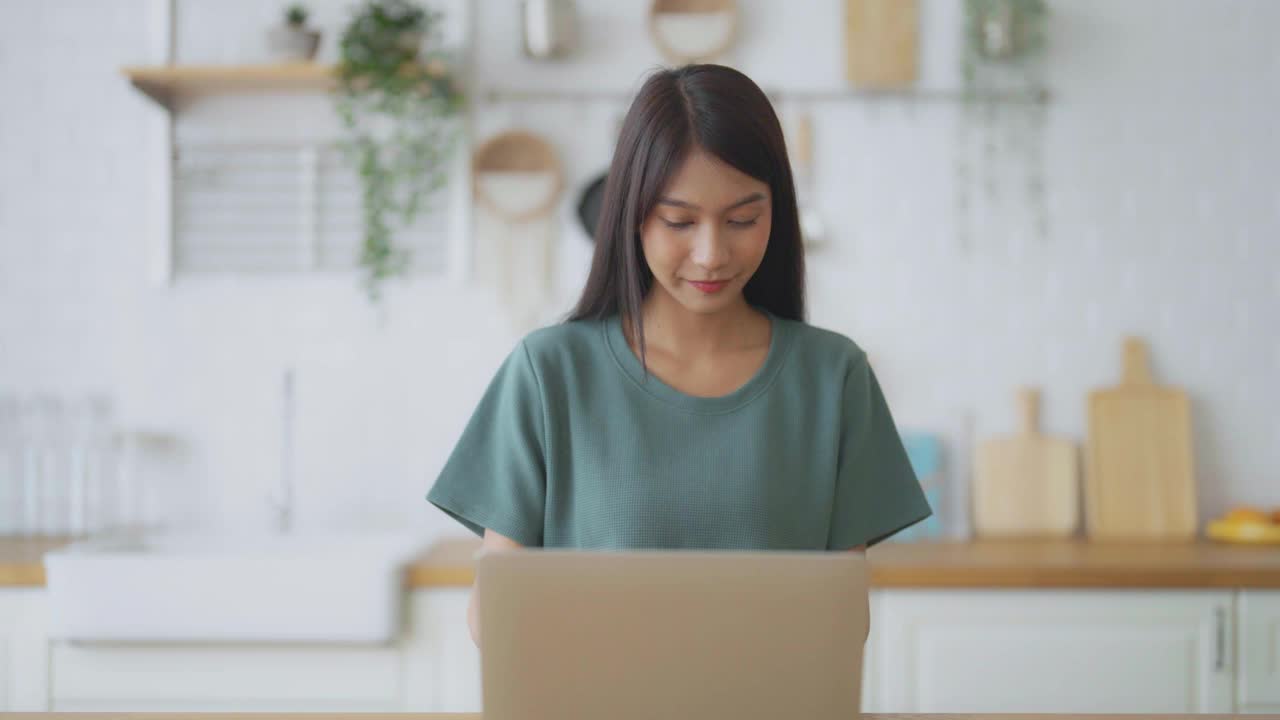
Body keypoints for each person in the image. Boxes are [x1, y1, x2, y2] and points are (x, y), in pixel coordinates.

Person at [426, 64, 932, 647]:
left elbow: (842, 621)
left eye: (743, 219)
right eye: (679, 221)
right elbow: (497, 611)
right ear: (631, 216)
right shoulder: (549, 374)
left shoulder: (833, 379)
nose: (712, 254)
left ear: (779, 212)